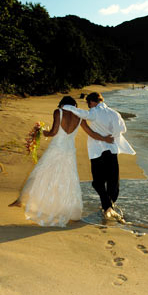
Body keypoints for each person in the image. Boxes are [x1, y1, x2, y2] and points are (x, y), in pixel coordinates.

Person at [9, 96, 113, 227]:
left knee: (41, 173)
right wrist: (105, 139)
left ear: (62, 104)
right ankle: (64, 209)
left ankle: (24, 201)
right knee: (67, 179)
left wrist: (41, 131)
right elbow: (91, 133)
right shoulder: (79, 116)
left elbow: (53, 132)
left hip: (56, 148)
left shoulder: (58, 112)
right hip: (69, 151)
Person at [62, 92, 135, 220]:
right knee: (113, 180)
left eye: (89, 104)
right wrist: (111, 134)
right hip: (112, 150)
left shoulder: (94, 112)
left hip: (97, 151)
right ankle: (109, 206)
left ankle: (107, 207)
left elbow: (81, 113)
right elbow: (123, 129)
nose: (89, 107)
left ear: (92, 102)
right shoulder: (114, 113)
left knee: (97, 182)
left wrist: (65, 107)